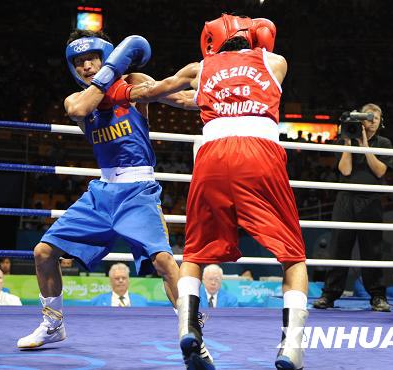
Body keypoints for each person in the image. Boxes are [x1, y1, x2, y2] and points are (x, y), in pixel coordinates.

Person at [129, 14, 309, 370]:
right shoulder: (275, 62)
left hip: (213, 156)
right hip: (260, 154)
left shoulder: (200, 68)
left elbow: (157, 92)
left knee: (194, 251)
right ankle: (291, 347)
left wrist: (118, 84)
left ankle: (188, 328)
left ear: (211, 40)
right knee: (292, 257)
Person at [16, 29, 182, 349]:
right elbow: (81, 109)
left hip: (138, 189)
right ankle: (53, 323)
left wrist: (209, 88)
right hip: (102, 191)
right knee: (43, 253)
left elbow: (176, 95)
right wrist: (113, 65)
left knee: (163, 261)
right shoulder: (75, 101)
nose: (86, 66)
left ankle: (191, 325)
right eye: (79, 62)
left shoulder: (132, 82)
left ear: (105, 55)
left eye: (92, 58)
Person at [313, 103, 393, 312]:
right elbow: (345, 171)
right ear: (361, 119)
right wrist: (350, 141)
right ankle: (329, 296)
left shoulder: (384, 143)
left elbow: (380, 172)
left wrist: (364, 143)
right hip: (346, 200)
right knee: (338, 249)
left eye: (377, 117)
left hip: (371, 201)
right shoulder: (344, 140)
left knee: (373, 251)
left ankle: (377, 296)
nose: (373, 121)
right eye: (369, 117)